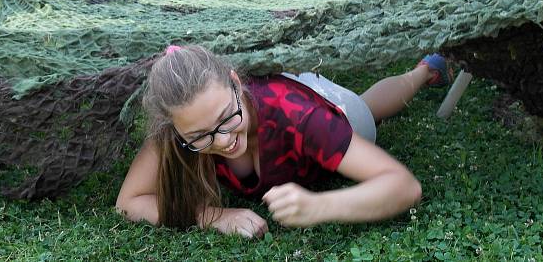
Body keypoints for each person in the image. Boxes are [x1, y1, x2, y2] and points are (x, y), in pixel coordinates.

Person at [117, 45, 455, 237]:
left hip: (329, 107)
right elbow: (129, 202)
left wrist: (319, 206)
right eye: (200, 136)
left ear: (236, 83)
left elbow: (404, 186)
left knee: (366, 109)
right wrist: (215, 216)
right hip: (281, 96)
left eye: (226, 118)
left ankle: (422, 72)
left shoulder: (299, 117)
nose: (222, 141)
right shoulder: (178, 126)